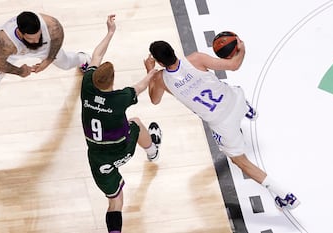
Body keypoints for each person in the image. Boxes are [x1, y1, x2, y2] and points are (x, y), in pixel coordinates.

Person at [144, 39, 300, 210]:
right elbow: (233, 65)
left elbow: (154, 100)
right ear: (173, 51)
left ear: (159, 62)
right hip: (234, 98)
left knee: (240, 161)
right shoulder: (196, 59)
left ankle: (285, 195)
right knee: (231, 90)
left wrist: (150, 71)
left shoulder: (160, 79)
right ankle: (246, 109)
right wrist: (242, 49)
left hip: (222, 124)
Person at [0, 11, 91, 162]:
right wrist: (20, 71)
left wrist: (48, 60)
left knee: (65, 63)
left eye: (38, 35)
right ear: (20, 33)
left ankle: (82, 59)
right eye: (31, 38)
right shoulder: (6, 41)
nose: (35, 40)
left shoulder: (52, 26)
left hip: (45, 50)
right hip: (8, 55)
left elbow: (58, 38)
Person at [81, 15, 162, 233]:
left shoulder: (86, 86)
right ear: (112, 81)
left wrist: (109, 32)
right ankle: (153, 151)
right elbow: (142, 86)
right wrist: (152, 70)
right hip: (121, 150)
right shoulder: (119, 98)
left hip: (97, 159)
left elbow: (96, 54)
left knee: (115, 202)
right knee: (135, 121)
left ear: (94, 76)